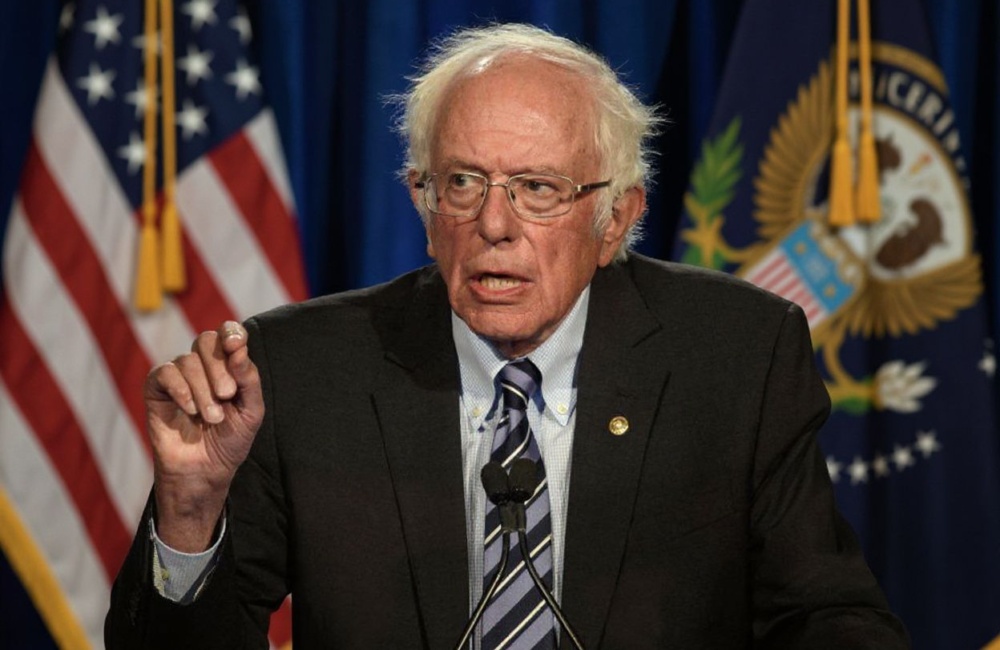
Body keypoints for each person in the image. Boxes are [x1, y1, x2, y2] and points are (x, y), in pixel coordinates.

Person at [105, 23, 909, 649]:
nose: (494, 224)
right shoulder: (303, 371)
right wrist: (189, 510)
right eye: (463, 183)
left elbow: (828, 616)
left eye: (538, 189)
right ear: (423, 206)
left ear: (614, 220)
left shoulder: (735, 356)